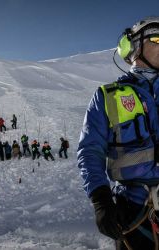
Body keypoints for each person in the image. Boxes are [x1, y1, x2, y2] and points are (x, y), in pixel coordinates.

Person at [77, 17, 159, 250]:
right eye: (157, 39)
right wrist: (101, 200)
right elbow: (90, 151)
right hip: (133, 211)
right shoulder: (107, 97)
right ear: (133, 47)